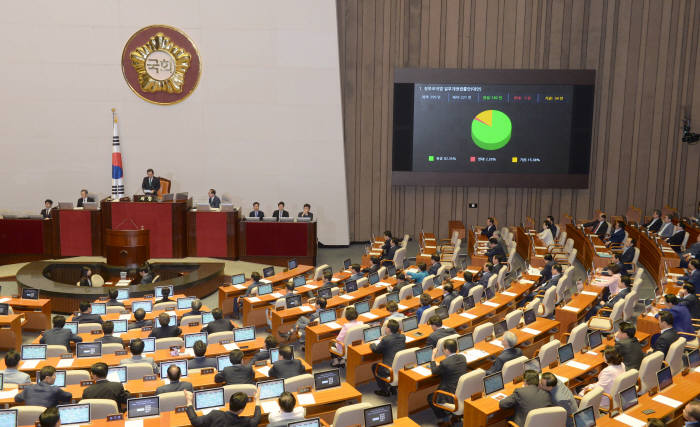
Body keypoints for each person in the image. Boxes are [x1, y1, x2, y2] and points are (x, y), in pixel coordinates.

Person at [428, 338, 467, 426]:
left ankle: (444, 420)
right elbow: (451, 367)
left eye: (443, 349)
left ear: (446, 350)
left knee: (431, 398)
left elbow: (434, 372)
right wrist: (441, 366)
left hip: (450, 394)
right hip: (462, 391)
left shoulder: (445, 363)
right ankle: (454, 417)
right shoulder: (462, 357)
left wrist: (433, 357)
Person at [184, 390, 261, 427]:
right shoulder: (245, 422)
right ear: (241, 410)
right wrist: (257, 400)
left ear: (230, 403)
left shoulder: (215, 415)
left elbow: (195, 421)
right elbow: (256, 419)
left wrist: (189, 401)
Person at [371, 319, 406, 396]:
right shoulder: (403, 337)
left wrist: (372, 343)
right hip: (400, 367)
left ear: (389, 329)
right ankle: (392, 387)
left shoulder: (386, 339)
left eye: (386, 327)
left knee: (374, 366)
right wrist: (383, 339)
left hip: (389, 370)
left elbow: (376, 350)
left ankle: (384, 390)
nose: (385, 329)